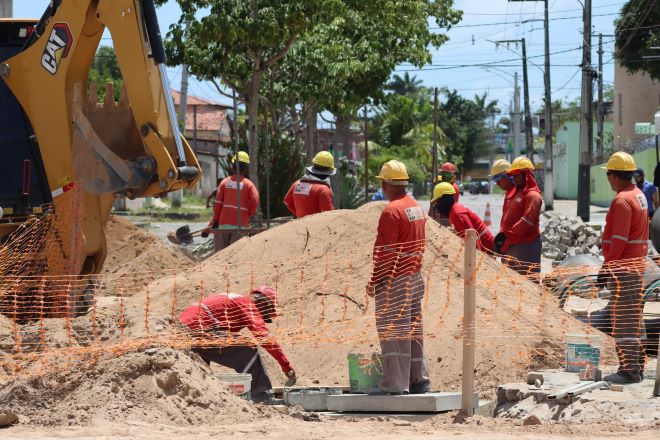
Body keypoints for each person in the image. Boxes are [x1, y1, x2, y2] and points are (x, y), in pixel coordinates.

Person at [366, 160, 430, 395]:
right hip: (414, 276)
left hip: (395, 279)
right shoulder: (415, 207)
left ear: (386, 183)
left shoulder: (392, 211)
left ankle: (395, 384)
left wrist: (376, 281)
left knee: (393, 333)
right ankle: (418, 379)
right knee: (413, 331)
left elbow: (386, 254)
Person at [179, 286, 297, 404]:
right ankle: (260, 396)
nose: (261, 317)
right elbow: (264, 336)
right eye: (265, 314)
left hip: (182, 333)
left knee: (200, 365)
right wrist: (286, 366)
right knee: (248, 349)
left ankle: (198, 396)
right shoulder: (248, 304)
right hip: (201, 330)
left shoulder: (234, 300)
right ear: (262, 303)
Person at [597, 152, 649, 384]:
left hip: (623, 269)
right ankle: (637, 367)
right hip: (635, 267)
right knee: (635, 318)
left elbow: (618, 240)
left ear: (614, 176)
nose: (608, 180)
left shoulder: (622, 200)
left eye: (608, 175)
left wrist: (606, 269)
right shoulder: (638, 195)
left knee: (625, 320)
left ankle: (628, 371)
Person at [495, 156, 542, 276]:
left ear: (526, 175)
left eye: (517, 176)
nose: (514, 179)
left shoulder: (533, 196)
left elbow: (526, 221)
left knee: (528, 284)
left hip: (526, 246)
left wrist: (506, 236)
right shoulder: (516, 193)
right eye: (513, 176)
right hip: (512, 245)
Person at [202, 152, 260, 248]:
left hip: (223, 224)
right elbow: (255, 201)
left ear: (233, 167)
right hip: (241, 225)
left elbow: (218, 204)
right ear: (245, 169)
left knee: (221, 255)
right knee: (235, 256)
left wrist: (214, 221)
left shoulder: (224, 183)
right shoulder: (249, 185)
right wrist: (247, 214)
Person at [431, 182, 494, 252]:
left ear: (444, 200)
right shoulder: (453, 211)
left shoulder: (457, 214)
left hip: (487, 248)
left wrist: (475, 259)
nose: (436, 205)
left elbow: (472, 238)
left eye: (437, 201)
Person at [284, 151, 335, 218]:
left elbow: (287, 202)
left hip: (300, 226)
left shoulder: (296, 184)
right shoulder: (323, 190)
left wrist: (301, 217)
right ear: (329, 171)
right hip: (318, 227)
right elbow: (328, 215)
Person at [489, 159, 516, 232]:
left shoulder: (516, 193)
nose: (497, 183)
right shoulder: (509, 193)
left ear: (507, 176)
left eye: (498, 180)